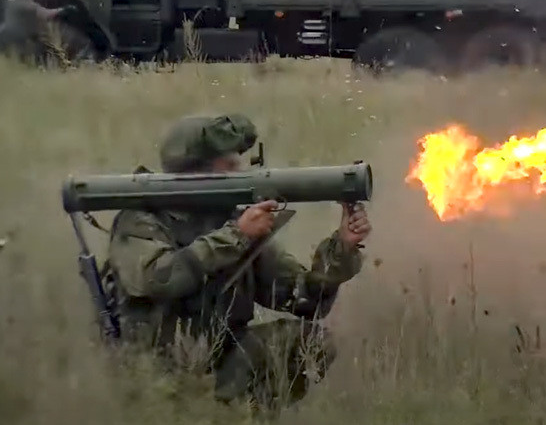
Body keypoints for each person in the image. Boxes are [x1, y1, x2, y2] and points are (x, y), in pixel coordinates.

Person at [102, 113, 369, 411]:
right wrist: (236, 236)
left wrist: (341, 249)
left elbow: (305, 300)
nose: (240, 172)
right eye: (229, 166)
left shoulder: (231, 221)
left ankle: (239, 415)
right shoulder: (140, 220)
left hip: (221, 364)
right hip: (154, 371)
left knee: (312, 342)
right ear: (196, 174)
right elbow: (159, 279)